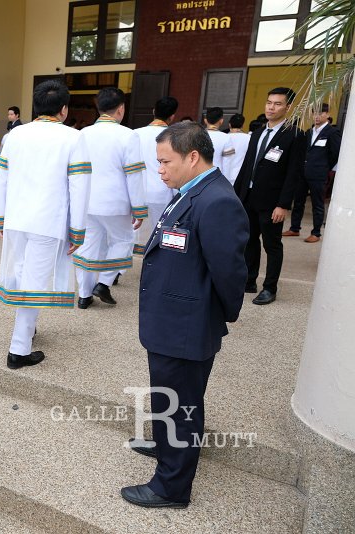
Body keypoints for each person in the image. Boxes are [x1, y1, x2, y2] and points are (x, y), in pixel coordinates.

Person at [122, 122, 248, 509]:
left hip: (186, 324)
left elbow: (230, 273)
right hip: (172, 320)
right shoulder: (190, 190)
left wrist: (214, 315)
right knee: (170, 397)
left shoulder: (217, 201)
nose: (159, 169)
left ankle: (171, 487)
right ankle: (166, 447)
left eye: (165, 161)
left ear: (193, 157)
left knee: (181, 404)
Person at [0, 80, 88, 369]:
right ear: (63, 109)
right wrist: (78, 229)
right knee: (34, 281)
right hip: (48, 220)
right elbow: (80, 187)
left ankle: (28, 328)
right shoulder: (72, 138)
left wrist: (1, 216)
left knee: (24, 274)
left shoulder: (16, 135)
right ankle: (18, 349)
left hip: (18, 218)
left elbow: (2, 177)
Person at [73, 87, 146, 308]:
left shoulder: (82, 133)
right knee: (123, 241)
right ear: (121, 109)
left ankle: (84, 295)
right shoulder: (128, 135)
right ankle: (104, 282)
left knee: (87, 247)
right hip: (116, 202)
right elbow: (134, 175)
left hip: (87, 201)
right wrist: (139, 208)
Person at [233, 87, 306, 305]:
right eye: (268, 103)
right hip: (249, 197)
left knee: (272, 245)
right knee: (249, 241)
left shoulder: (295, 135)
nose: (271, 108)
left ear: (288, 107)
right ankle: (249, 280)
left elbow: (294, 173)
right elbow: (246, 167)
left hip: (272, 202)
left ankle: (270, 288)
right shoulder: (257, 133)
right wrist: (237, 196)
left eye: (277, 104)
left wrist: (283, 204)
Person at [285, 104, 341, 243]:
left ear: (327, 114)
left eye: (320, 113)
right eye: (314, 113)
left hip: (319, 173)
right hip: (303, 172)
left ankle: (316, 233)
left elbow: (335, 153)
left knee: (317, 203)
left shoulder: (332, 132)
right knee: (298, 201)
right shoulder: (309, 132)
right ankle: (294, 228)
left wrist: (324, 167)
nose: (316, 116)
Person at [131, 97, 179, 258]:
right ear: (172, 116)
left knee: (130, 234)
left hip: (137, 192)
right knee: (163, 232)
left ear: (153, 112)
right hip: (162, 191)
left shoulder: (135, 133)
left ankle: (117, 270)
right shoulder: (174, 137)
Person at [203, 107, 235, 172]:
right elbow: (227, 163)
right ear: (221, 121)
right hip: (216, 176)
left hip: (197, 177)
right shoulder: (226, 138)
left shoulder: (196, 135)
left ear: (205, 120)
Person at [222, 113, 249, 186]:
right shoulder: (249, 138)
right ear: (242, 125)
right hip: (241, 176)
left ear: (229, 124)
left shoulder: (224, 137)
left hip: (223, 175)